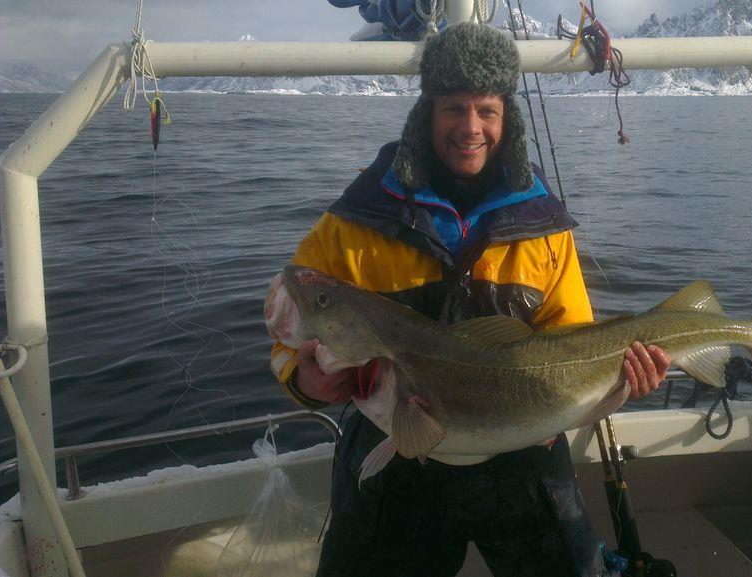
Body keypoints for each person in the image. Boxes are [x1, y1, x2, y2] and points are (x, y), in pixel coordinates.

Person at [269, 22, 671, 577]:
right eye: (453, 108)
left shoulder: (544, 223)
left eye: (486, 109)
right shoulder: (358, 215)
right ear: (426, 114)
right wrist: (307, 381)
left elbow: (573, 337)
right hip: (391, 454)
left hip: (523, 452)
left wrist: (623, 381)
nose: (471, 127)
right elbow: (291, 337)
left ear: (508, 119)